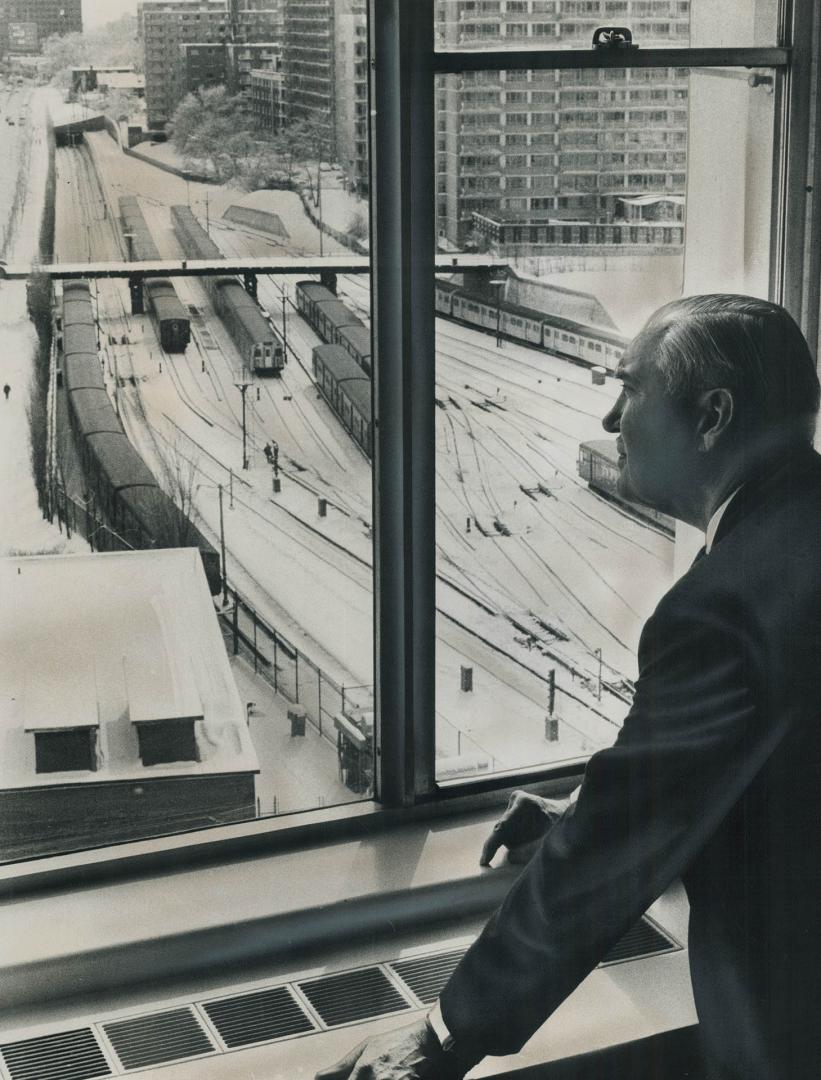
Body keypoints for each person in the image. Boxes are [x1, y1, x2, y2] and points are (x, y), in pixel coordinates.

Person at [316, 295, 821, 1080]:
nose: (613, 416)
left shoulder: (724, 602)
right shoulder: (791, 534)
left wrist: (443, 1036)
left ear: (711, 417)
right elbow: (760, 761)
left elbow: (621, 840)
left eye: (631, 388)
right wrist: (583, 806)